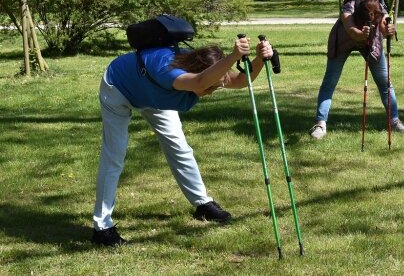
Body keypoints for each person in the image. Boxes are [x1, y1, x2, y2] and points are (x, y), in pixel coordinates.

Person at [93, 35, 275, 246]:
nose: (209, 92)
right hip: (119, 86)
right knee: (114, 155)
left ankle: (202, 203)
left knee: (179, 147)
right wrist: (234, 55)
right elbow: (199, 82)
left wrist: (260, 59)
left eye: (215, 87)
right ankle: (102, 228)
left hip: (153, 95)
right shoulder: (169, 71)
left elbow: (240, 80)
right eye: (211, 87)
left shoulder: (209, 72)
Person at [309, 0, 404, 139]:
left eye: (375, 15)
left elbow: (383, 29)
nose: (372, 17)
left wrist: (389, 30)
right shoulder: (348, 9)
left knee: (385, 82)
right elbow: (351, 31)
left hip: (370, 42)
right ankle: (320, 123)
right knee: (330, 81)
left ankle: (394, 121)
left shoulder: (380, 7)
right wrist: (361, 34)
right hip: (343, 41)